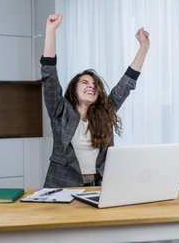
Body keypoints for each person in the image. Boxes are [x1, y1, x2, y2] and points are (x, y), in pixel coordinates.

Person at [41, 13, 150, 187]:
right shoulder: (60, 111)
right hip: (62, 185)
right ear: (74, 89)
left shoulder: (104, 113)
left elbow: (126, 85)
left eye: (95, 84)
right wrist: (50, 32)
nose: (91, 86)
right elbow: (49, 76)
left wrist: (144, 47)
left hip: (98, 186)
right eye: (85, 82)